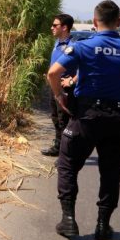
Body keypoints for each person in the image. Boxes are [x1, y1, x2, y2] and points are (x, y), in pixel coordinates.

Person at [47, 0, 120, 240]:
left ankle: (68, 220)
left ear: (94, 21)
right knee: (111, 173)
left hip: (86, 118)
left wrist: (59, 96)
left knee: (67, 165)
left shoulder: (83, 46)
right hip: (118, 121)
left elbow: (53, 73)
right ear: (119, 23)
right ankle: (103, 225)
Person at [41, 14, 77, 156]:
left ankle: (66, 153)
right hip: (54, 87)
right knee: (55, 117)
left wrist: (72, 81)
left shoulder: (72, 46)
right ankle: (58, 147)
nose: (52, 28)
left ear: (64, 27)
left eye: (55, 25)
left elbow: (83, 68)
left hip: (66, 89)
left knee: (65, 121)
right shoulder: (57, 43)